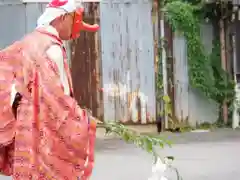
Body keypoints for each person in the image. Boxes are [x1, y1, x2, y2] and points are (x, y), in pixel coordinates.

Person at [0, 0, 99, 179]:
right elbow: (61, 103)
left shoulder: (25, 43)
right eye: (73, 19)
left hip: (24, 130)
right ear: (61, 18)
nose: (75, 25)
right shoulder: (52, 49)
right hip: (42, 132)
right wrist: (84, 120)